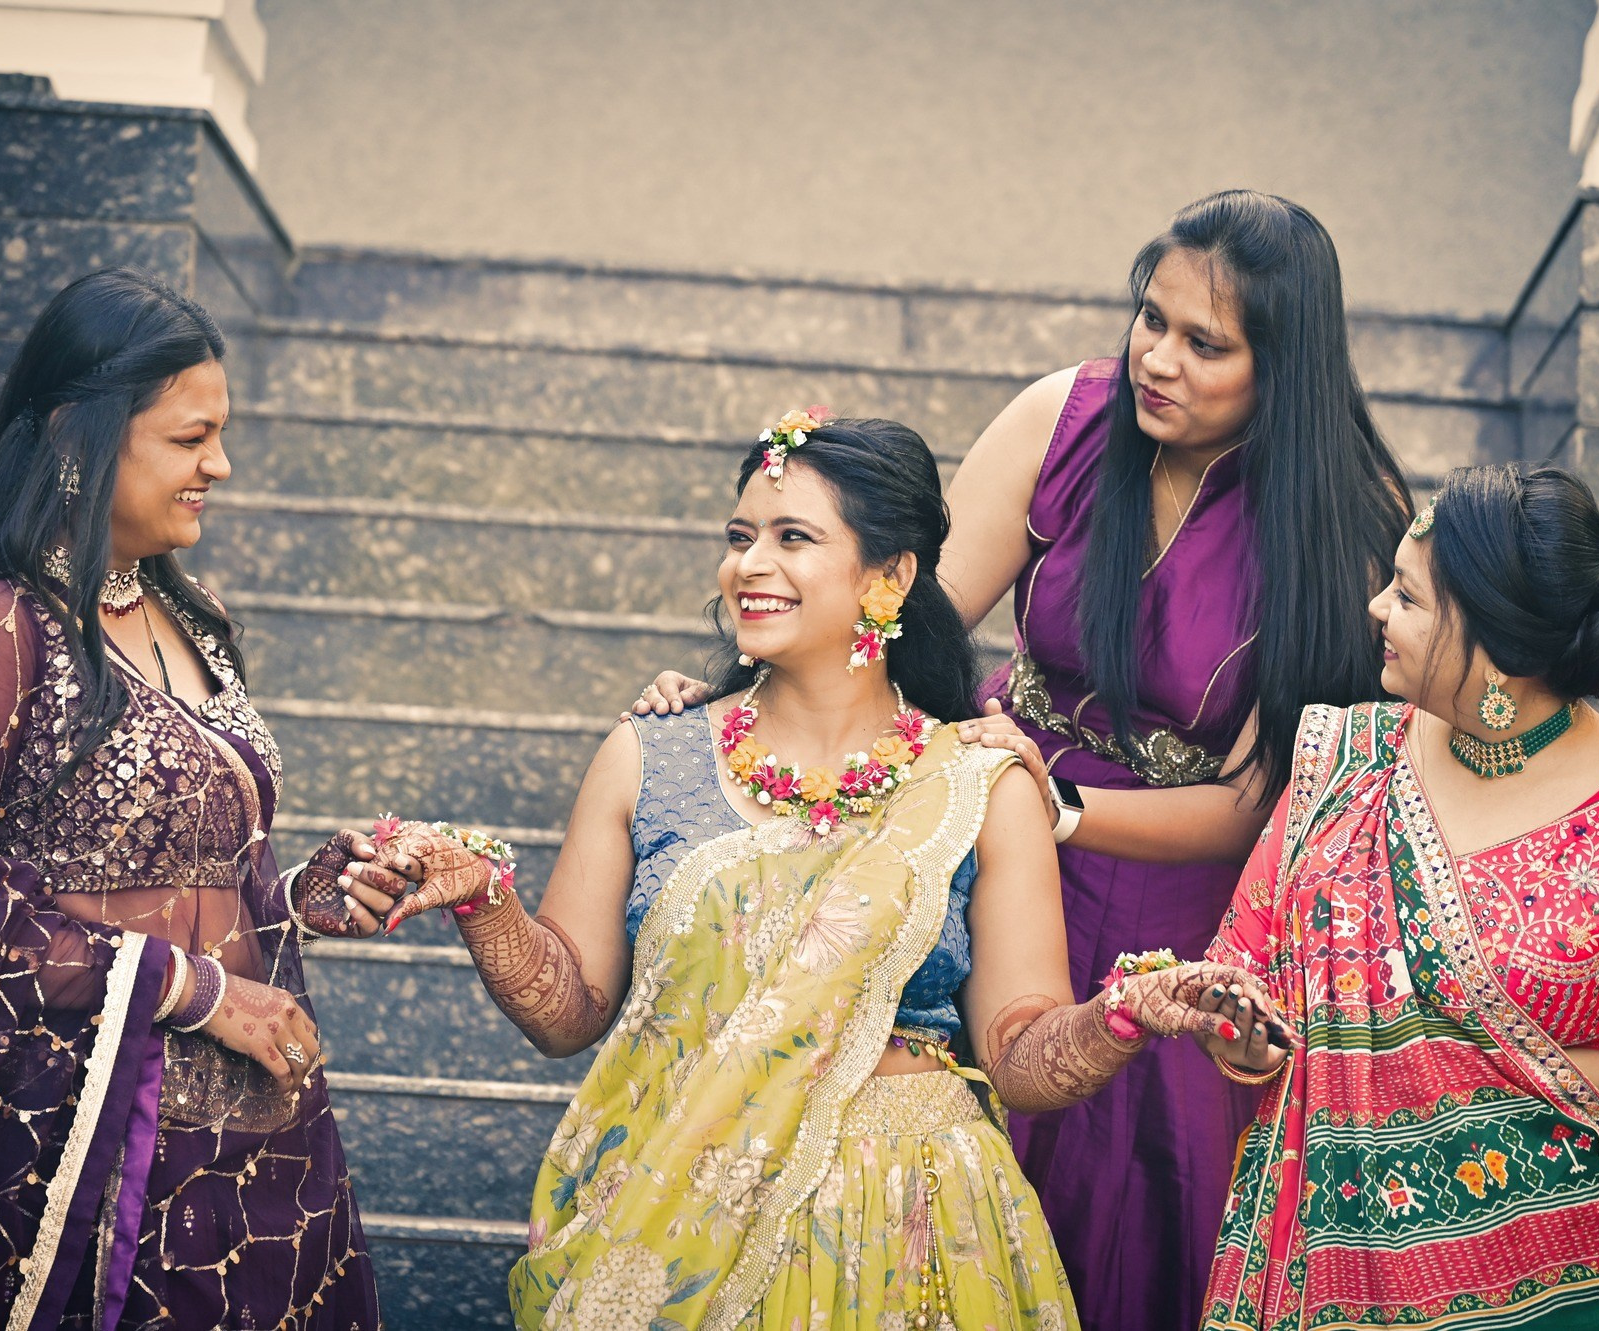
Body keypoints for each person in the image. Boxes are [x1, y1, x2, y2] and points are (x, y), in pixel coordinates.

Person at [633, 191, 1412, 1329]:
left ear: (1281, 366)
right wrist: (731, 696)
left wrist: (1054, 810)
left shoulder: (1343, 519)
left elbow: (1256, 803)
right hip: (987, 820)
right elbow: (909, 620)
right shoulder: (1069, 415)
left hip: (1174, 890)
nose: (1158, 359)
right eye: (1151, 319)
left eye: (1205, 344)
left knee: (1131, 1199)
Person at [351, 415, 1286, 1329]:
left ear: (889, 576)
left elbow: (1019, 1057)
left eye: (793, 537)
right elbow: (569, 1011)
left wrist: (1130, 1011)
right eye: (739, 537)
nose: (748, 564)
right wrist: (483, 895)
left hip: (910, 1224)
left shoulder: (975, 783)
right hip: (677, 1205)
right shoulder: (650, 755)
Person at [0, 267, 391, 1330]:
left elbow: (194, 864)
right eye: (189, 437)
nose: (221, 463)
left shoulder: (188, 614)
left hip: (246, 1137)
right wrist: (198, 991)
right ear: (78, 433)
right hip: (71, 1143)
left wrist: (304, 891)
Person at [1190, 464, 1599, 1331]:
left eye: (1409, 599)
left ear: (1498, 649)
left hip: (1569, 1295)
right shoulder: (1344, 761)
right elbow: (1241, 976)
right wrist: (1243, 1031)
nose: (1377, 607)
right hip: (1327, 1283)